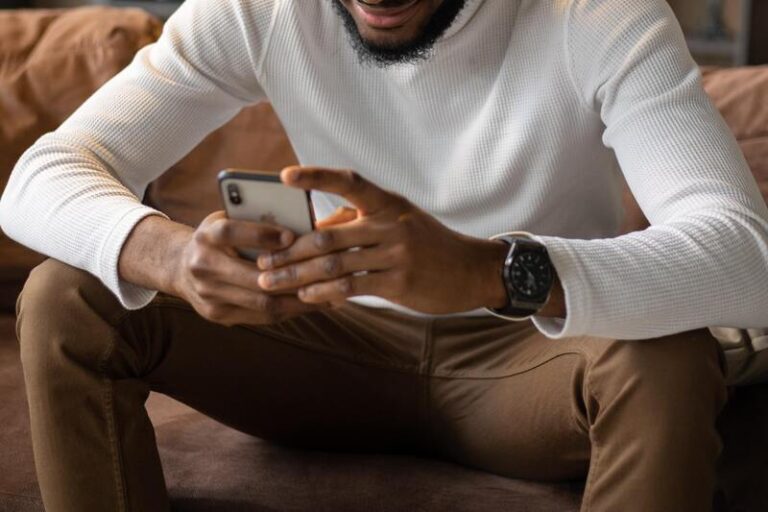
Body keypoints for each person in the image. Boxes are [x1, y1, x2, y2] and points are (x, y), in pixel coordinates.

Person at [1, 0, 767, 510]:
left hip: (528, 362)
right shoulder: (259, 8)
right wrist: (166, 254)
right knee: (68, 296)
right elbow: (39, 176)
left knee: (665, 357)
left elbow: (749, 258)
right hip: (328, 343)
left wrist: (488, 271)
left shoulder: (601, 14)